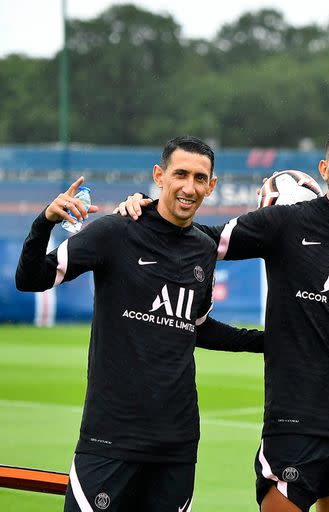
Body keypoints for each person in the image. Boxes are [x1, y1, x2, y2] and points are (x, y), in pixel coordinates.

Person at [117, 122, 329, 512]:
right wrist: (148, 208)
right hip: (294, 425)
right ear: (325, 169)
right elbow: (200, 236)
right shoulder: (285, 222)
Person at [15, 136, 264, 511]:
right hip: (110, 438)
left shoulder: (204, 249)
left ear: (211, 186)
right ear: (159, 176)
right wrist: (45, 221)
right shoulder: (115, 231)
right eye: (180, 174)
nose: (189, 187)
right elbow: (30, 278)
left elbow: (195, 328)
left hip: (177, 445)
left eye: (200, 178)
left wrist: (269, 341)